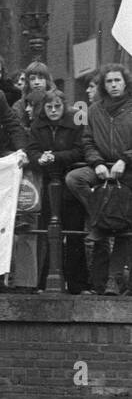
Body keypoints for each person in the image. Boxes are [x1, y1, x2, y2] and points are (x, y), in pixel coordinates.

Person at [66, 63, 132, 295]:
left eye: (118, 81)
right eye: (109, 81)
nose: (114, 85)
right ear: (104, 85)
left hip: (129, 171)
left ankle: (114, 281)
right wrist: (98, 163)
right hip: (103, 168)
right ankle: (102, 212)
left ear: (125, 83)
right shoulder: (94, 110)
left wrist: (125, 160)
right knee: (75, 178)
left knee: (126, 220)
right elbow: (87, 141)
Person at [26, 89, 87, 293]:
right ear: (43, 108)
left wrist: (56, 157)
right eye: (49, 107)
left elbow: (80, 151)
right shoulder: (37, 126)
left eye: (57, 107)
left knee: (74, 232)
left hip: (68, 183)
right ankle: (44, 282)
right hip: (47, 184)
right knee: (47, 233)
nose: (53, 111)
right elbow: (31, 149)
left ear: (64, 106)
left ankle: (78, 284)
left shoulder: (74, 124)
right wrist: (38, 159)